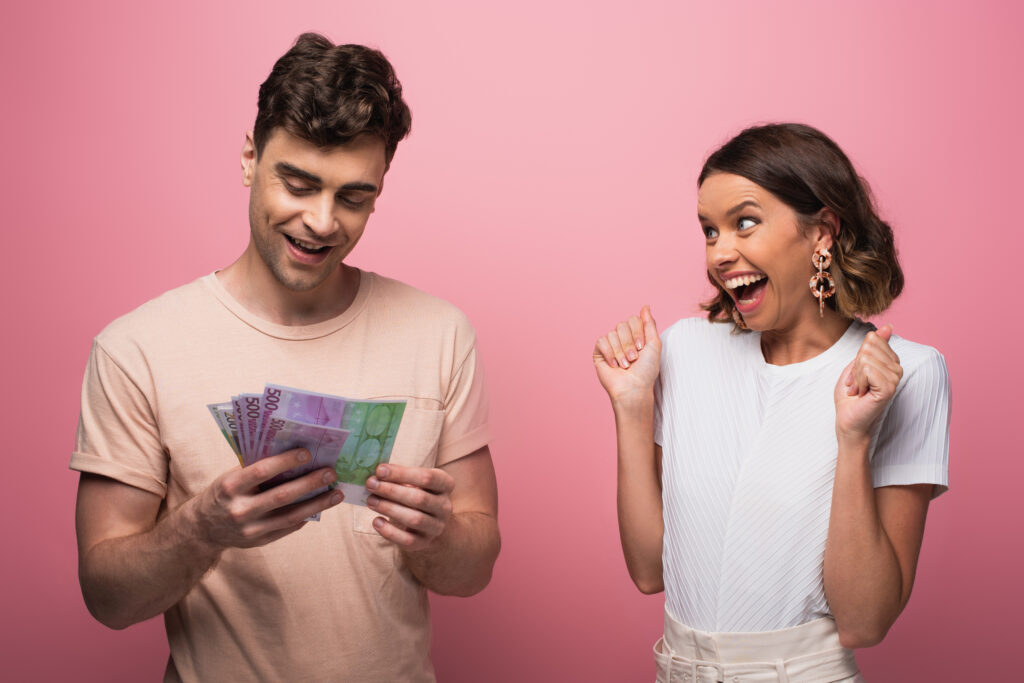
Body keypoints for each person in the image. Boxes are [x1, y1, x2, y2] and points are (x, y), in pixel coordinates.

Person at [72, 33, 499, 683]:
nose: (323, 221)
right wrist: (202, 528)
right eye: (297, 183)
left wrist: (440, 537)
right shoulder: (136, 350)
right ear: (250, 157)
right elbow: (107, 598)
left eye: (354, 197)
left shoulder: (440, 333)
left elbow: (476, 566)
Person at [593, 123, 950, 682]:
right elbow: (648, 571)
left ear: (823, 232)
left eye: (746, 222)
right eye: (709, 231)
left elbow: (865, 623)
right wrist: (632, 407)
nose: (720, 252)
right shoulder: (685, 350)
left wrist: (853, 438)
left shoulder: (908, 372)